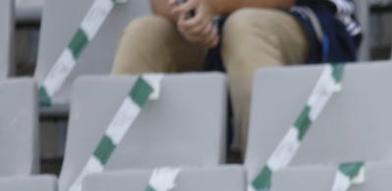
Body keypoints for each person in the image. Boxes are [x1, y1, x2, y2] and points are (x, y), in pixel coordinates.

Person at [111, 0, 361, 146]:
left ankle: (267, 183)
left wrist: (214, 5)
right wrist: (189, 16)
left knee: (244, 27)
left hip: (304, 18)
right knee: (144, 33)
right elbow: (160, 4)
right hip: (215, 23)